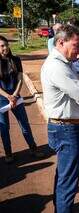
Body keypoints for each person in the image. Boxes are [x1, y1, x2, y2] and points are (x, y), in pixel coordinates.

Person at [41, 24, 79, 213]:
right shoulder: (57, 67)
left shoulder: (66, 64)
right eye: (76, 45)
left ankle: (60, 208)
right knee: (68, 182)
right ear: (61, 42)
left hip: (69, 127)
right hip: (66, 129)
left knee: (64, 175)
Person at [0, 35, 44, 164]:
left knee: (24, 125)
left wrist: (14, 95)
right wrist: (7, 96)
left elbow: (20, 79)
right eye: (2, 46)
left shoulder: (15, 60)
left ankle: (33, 149)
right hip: (2, 99)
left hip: (16, 97)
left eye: (6, 45)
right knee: (4, 128)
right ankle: (8, 153)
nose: (5, 48)